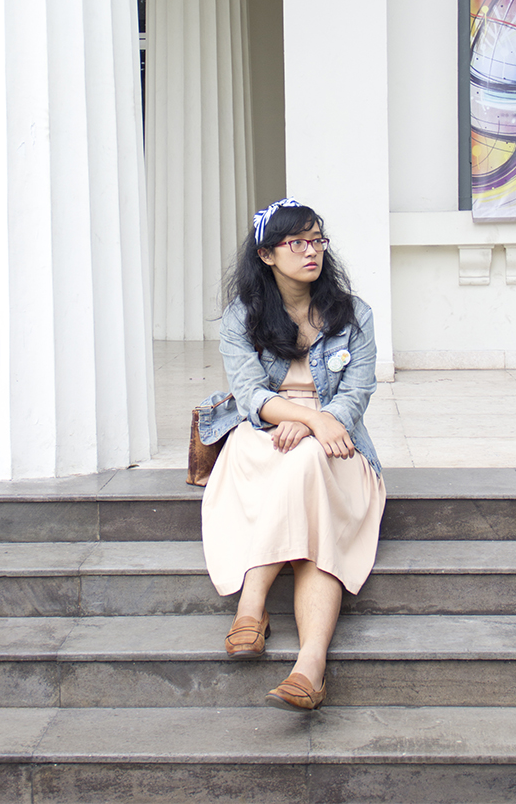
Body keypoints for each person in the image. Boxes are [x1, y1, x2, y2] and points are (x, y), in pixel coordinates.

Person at [201, 199, 386, 712]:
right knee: (312, 514)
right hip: (265, 436)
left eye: (317, 240)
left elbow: (356, 394)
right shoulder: (243, 316)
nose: (312, 251)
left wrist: (316, 424)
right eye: (297, 243)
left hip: (335, 442)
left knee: (307, 461)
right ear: (266, 254)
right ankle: (311, 666)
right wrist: (306, 419)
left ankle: (254, 609)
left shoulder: (354, 314)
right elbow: (250, 394)